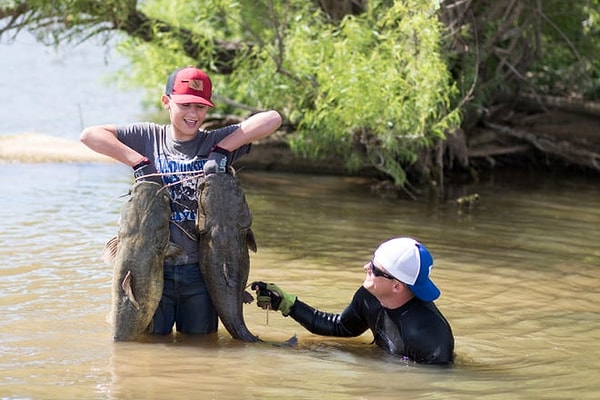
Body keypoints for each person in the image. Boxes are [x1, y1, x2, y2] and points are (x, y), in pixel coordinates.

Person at [81, 66, 282, 335]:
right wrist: (139, 163)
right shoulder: (147, 137)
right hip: (151, 270)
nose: (193, 114)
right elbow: (89, 135)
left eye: (201, 107)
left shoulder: (215, 140)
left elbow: (273, 119)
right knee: (149, 349)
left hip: (201, 274)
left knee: (200, 350)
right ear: (166, 102)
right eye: (185, 104)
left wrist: (221, 151)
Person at [252, 237, 454, 365]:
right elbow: (340, 327)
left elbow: (430, 383)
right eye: (372, 259)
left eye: (374, 268)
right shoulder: (369, 297)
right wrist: (286, 304)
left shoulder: (429, 338)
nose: (366, 266)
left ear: (397, 286)